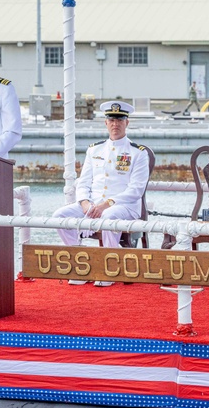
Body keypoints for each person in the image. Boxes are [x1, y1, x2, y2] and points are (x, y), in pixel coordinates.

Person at [51, 101, 151, 286]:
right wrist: (85, 203)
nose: (115, 124)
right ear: (105, 123)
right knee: (59, 216)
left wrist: (106, 204)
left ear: (127, 123)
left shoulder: (138, 153)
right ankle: (81, 263)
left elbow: (136, 190)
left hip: (124, 207)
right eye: (111, 119)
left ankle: (110, 268)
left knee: (110, 215)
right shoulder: (94, 150)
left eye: (120, 120)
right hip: (93, 204)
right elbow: (83, 182)